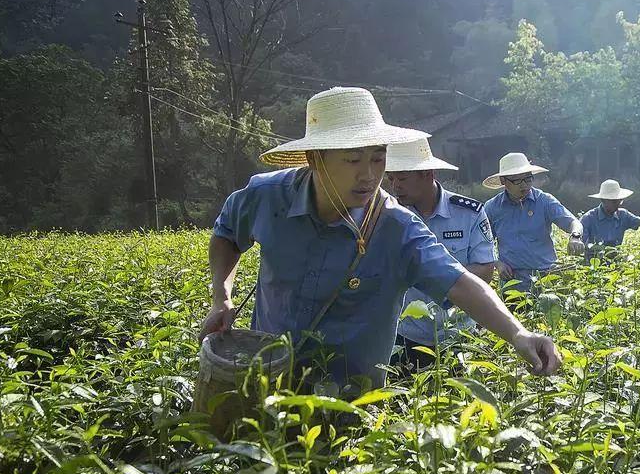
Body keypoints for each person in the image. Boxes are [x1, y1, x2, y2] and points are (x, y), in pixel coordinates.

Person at [200, 87, 561, 394]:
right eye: (353, 159)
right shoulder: (266, 196)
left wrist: (518, 334)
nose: (370, 175)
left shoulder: (396, 227)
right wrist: (222, 296)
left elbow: (461, 283)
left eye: (378, 159)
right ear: (315, 159)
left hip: (352, 397)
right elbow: (228, 235)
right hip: (268, 376)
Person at [385, 138, 495, 371]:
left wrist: (434, 275)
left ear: (428, 173)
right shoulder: (390, 217)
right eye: (391, 178)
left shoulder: (469, 213)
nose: (395, 186)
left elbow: (485, 271)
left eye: (402, 178)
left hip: (459, 335)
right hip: (406, 334)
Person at [482, 153, 584, 291]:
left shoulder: (544, 201)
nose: (524, 185)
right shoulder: (492, 208)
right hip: (512, 281)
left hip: (546, 277)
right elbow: (481, 243)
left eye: (528, 179)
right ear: (503, 181)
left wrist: (575, 237)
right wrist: (497, 263)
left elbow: (573, 222)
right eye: (517, 181)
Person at [580, 179, 640, 255]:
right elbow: (581, 246)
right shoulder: (588, 219)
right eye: (614, 201)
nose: (618, 204)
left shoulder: (623, 215)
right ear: (603, 200)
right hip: (593, 267)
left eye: (620, 201)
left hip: (616, 265)